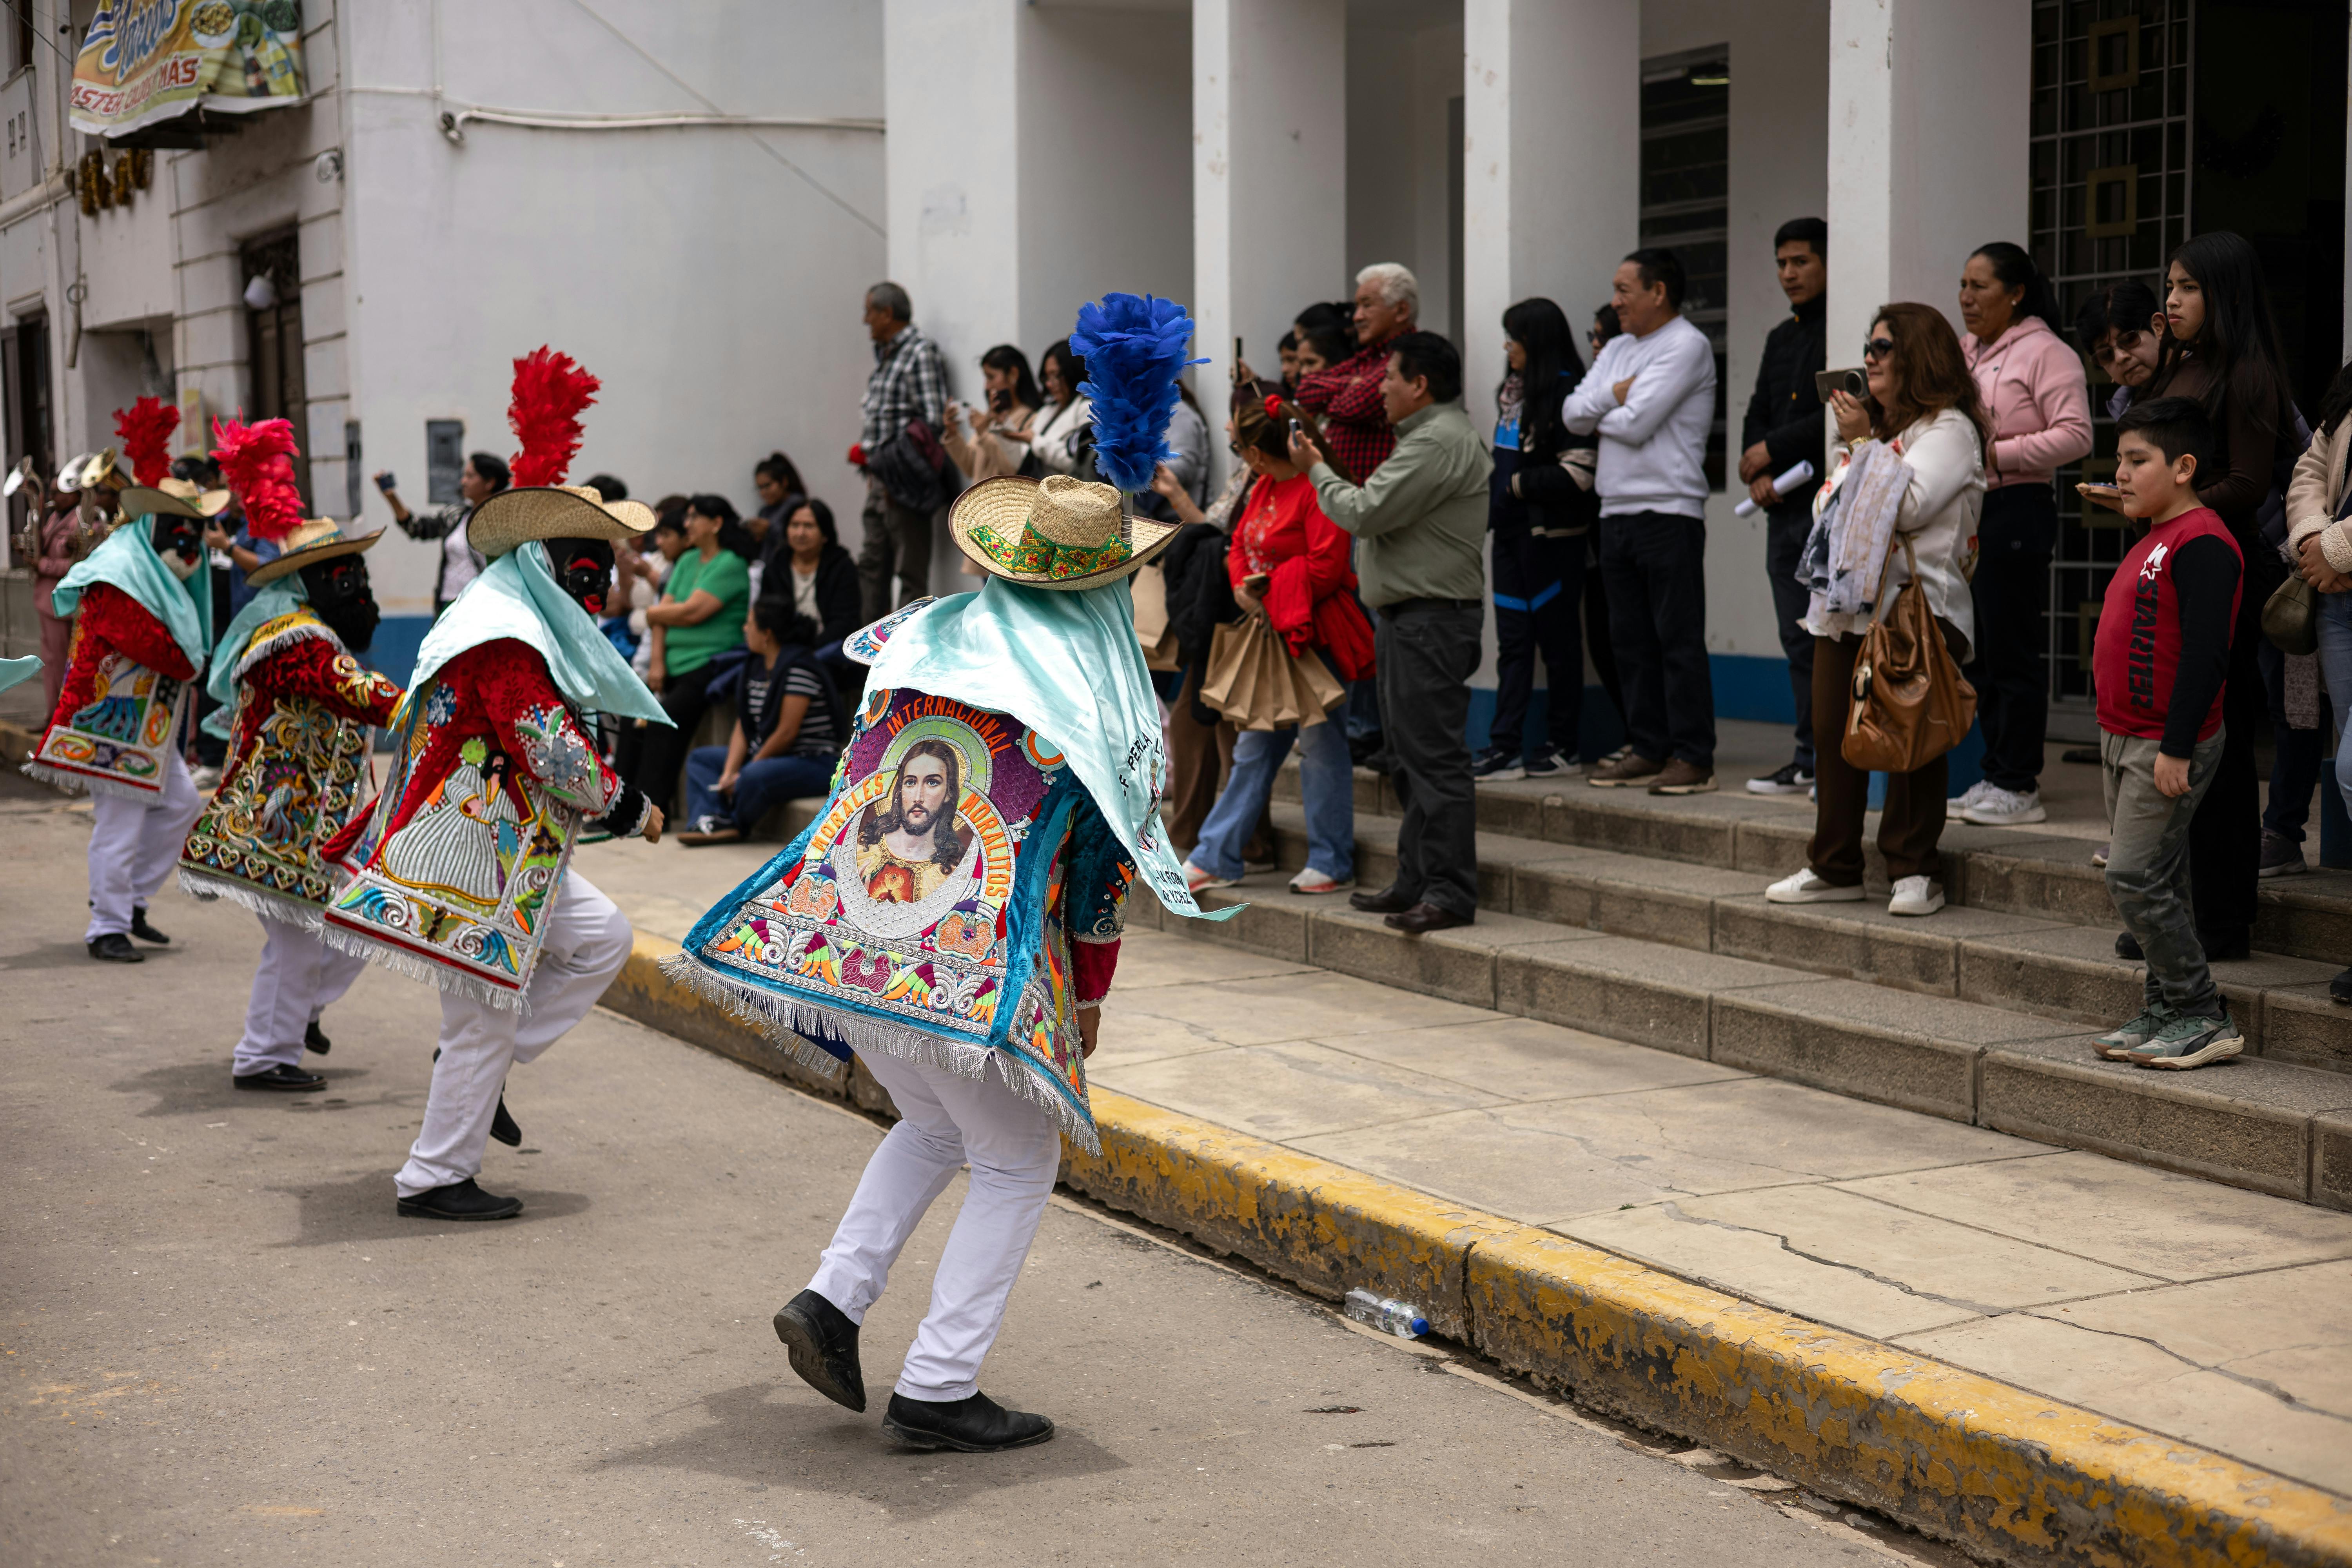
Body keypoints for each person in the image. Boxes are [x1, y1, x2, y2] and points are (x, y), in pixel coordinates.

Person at [672, 297, 1239, 1451]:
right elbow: (1088, 886)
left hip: (850, 938)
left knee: (936, 1130)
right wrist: (1082, 1004)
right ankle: (936, 1384)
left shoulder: (918, 641)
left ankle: (831, 1301)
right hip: (957, 977)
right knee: (1019, 1155)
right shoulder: (1084, 702)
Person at [319, 349, 668, 1221]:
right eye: (584, 556)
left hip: (507, 847)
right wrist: (626, 801)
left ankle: (476, 1080)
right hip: (467, 848)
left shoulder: (512, 613)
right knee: (483, 1017)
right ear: (547, 556)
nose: (599, 574)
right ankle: (435, 1174)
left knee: (600, 939)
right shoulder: (506, 630)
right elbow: (544, 741)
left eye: (603, 555)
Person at [2099, 233, 2298, 961]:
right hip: (2164, 562)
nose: (2171, 302)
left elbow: (2248, 482)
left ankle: (2221, 919)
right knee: (2165, 740)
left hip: (2216, 567)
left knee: (2216, 743)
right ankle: (2170, 912)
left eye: (2185, 289)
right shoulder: (2186, 366)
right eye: (2169, 288)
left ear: (2224, 295)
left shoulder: (2247, 374)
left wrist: (2171, 510)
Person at [1768, 302, 1987, 919]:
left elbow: (1908, 506)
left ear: (1919, 355)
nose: (1869, 358)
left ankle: (1915, 869)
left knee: (1910, 732)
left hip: (1917, 610)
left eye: (1884, 347)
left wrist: (1863, 444)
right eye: (1870, 346)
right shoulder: (1882, 434)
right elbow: (1826, 514)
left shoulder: (1950, 430)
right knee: (1835, 731)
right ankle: (1833, 865)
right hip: (1848, 610)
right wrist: (1863, 445)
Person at [181, 499, 403, 1092]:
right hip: (276, 824)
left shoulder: (312, 631)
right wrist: (421, 706)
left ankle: (297, 1016)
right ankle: (263, 1055)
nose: (358, 589)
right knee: (304, 940)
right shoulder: (292, 637)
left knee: (365, 916)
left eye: (359, 574)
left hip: (310, 828)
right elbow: (343, 686)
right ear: (309, 582)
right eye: (343, 577)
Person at [1290, 332, 1490, 933]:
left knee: (1434, 759)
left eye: (1390, 378)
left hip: (1431, 619)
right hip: (1413, 617)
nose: (1381, 389)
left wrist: (1316, 467)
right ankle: (1416, 879)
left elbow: (1361, 512)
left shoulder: (1436, 441)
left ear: (1420, 385)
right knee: (1407, 756)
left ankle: (1450, 892)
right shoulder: (1428, 440)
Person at [2084, 398, 2245, 1068]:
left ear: (2184, 468)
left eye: (2136, 461)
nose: (2119, 473)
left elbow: (2208, 655)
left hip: (2163, 743)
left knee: (2133, 874)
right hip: (2122, 737)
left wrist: (2177, 746)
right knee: (2162, 877)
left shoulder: (2204, 542)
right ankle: (2167, 1009)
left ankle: (2201, 1010)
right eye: (2119, 459)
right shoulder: (2154, 535)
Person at [1180, 387, 1370, 895]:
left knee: (1321, 747)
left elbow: (1329, 566)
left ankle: (1331, 859)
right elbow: (1241, 542)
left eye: (1240, 448)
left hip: (1315, 635)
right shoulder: (1266, 485)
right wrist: (1245, 587)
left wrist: (1265, 588)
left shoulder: (1315, 487)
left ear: (1258, 454)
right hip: (1274, 631)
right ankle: (1216, 855)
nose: (1238, 456)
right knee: (1255, 747)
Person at [25, 478, 221, 961]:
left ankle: (128, 902)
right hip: (104, 724)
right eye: (179, 532)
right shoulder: (119, 573)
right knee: (119, 829)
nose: (189, 546)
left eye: (194, 533)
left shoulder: (153, 574)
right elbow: (155, 646)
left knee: (180, 806)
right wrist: (196, 665)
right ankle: (106, 927)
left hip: (147, 732)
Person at [1949, 242, 2092, 828]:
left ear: (2016, 293)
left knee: (2012, 650)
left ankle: (2019, 782)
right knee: (1978, 649)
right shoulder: (1964, 352)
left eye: (1980, 286)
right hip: (1972, 508)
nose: (1966, 297)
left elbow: (2077, 435)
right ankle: (1994, 772)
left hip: (2017, 505)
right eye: (1963, 284)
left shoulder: (2047, 352)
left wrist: (1998, 454)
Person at [1566, 248, 1720, 795]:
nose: (1615, 302)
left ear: (1659, 292)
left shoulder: (1687, 345)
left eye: (1624, 290)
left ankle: (1693, 756)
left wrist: (1602, 410)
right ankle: (1649, 746)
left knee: (1676, 639)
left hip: (1669, 509)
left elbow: (1635, 425)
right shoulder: (1619, 350)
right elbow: (1571, 412)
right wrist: (1613, 395)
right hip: (1616, 511)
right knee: (1628, 640)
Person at [1477, 297, 1599, 782]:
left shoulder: (1569, 395)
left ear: (1538, 343)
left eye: (1516, 338)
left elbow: (1580, 475)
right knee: (1513, 644)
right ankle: (1505, 746)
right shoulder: (1511, 394)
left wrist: (1514, 487)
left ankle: (1564, 744)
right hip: (1507, 537)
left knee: (1559, 643)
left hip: (1551, 540)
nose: (1508, 348)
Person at [1739, 218, 1830, 797]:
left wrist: (1773, 449)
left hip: (1825, 508)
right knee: (1796, 637)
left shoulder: (1843, 328)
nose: (1789, 274)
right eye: (1781, 264)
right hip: (1781, 511)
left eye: (1800, 262)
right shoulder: (1780, 337)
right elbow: (1758, 411)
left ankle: (1833, 758)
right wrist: (1759, 470)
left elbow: (1840, 412)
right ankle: (1806, 756)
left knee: (1829, 638)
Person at [2287, 352, 2352, 998]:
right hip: (2337, 604)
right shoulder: (2350, 389)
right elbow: (2311, 466)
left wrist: (2335, 548)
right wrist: (2313, 541)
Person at [675, 599, 845, 845]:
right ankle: (708, 820)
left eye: (750, 623)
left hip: (813, 761)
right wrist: (729, 772)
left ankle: (735, 824)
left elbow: (786, 733)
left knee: (754, 775)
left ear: (767, 634)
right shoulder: (753, 667)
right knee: (701, 760)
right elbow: (744, 726)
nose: (745, 629)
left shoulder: (800, 668)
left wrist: (744, 773)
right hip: (771, 758)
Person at [637, 493, 755, 813]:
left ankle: (651, 809)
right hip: (671, 665)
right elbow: (663, 614)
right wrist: (657, 663)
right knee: (632, 718)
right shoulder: (688, 560)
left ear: (716, 524)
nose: (687, 524)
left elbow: (691, 613)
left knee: (665, 722)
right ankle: (623, 807)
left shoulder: (730, 563)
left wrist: (657, 613)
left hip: (710, 664)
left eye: (693, 517)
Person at [853, 281, 950, 621]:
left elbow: (933, 419)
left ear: (887, 313)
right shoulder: (888, 354)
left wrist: (895, 464)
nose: (865, 320)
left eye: (869, 311)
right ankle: (869, 654)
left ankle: (904, 653)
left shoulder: (919, 352)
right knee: (871, 565)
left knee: (909, 571)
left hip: (903, 482)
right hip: (880, 481)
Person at [1291, 267, 1418, 482]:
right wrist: (1350, 384)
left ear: (1401, 311)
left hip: (1374, 495)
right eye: (1358, 306)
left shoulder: (1410, 356)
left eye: (1367, 305)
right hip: (1345, 494)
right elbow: (1305, 389)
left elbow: (1355, 406)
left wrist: (1330, 401)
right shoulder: (1368, 356)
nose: (1357, 317)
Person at [380, 452, 512, 616]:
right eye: (464, 476)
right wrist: (392, 497)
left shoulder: (506, 523)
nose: (463, 482)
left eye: (470, 476)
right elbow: (417, 528)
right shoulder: (456, 515)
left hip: (484, 608)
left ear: (489, 483)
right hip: (448, 605)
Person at [942, 346, 1042, 491]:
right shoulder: (991, 417)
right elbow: (971, 468)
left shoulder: (1032, 419)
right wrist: (952, 433)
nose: (988, 386)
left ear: (1014, 374)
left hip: (1004, 508)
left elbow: (1015, 471)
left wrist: (984, 432)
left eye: (991, 377)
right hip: (980, 508)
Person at [2075, 279, 2166, 417]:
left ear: (2158, 327)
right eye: (2106, 355)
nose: (2120, 358)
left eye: (2130, 340)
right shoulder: (2123, 405)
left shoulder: (2202, 380)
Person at [1019, 338, 1093, 477]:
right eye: (1047, 377)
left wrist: (1035, 441)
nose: (1049, 384)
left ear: (1072, 373)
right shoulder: (1047, 410)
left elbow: (1077, 463)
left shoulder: (1087, 409)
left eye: (1055, 376)